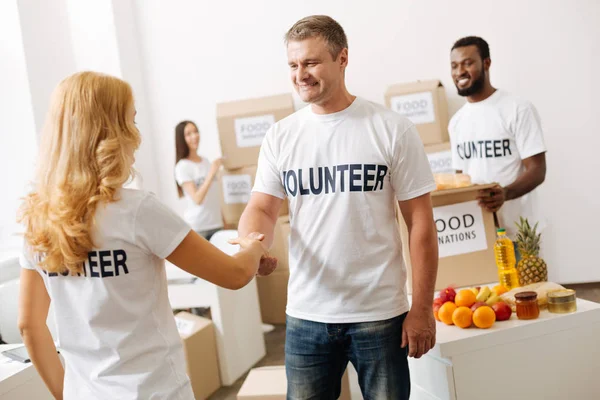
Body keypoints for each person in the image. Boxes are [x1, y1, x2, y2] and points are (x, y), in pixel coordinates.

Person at [17, 71, 272, 400]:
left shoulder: (37, 218)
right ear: (110, 131)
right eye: (130, 121)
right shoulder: (136, 210)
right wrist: (252, 248)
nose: (136, 134)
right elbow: (235, 274)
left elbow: (29, 326)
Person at [238, 15, 439, 399]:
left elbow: (420, 224)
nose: (301, 75)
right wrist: (252, 244)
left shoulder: (391, 128)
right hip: (307, 315)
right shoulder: (282, 136)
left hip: (379, 314)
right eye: (293, 65)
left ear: (342, 58)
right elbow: (262, 207)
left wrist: (423, 308)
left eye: (311, 62)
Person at [449, 36, 547, 247]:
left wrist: (505, 193)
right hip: (480, 234)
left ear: (486, 63)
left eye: (468, 63)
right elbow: (461, 178)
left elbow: (538, 169)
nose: (459, 72)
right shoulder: (456, 122)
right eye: (454, 66)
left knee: (529, 282)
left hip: (519, 233)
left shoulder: (517, 109)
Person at [174, 120, 224, 241]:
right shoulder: (183, 166)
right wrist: (211, 173)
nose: (194, 136)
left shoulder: (206, 161)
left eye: (196, 131)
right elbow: (197, 199)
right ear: (181, 139)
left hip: (217, 225)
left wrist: (223, 221)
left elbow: (213, 197)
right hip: (199, 228)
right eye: (189, 134)